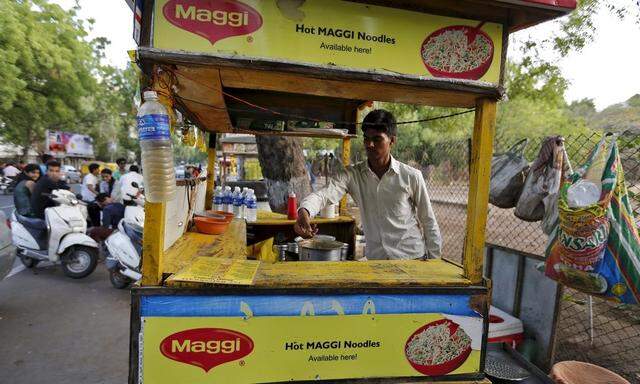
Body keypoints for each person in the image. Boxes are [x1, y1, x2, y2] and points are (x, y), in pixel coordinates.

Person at [294, 109, 442, 260]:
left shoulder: (411, 176)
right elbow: (323, 195)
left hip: (411, 258)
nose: (370, 144)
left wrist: (435, 262)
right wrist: (304, 211)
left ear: (392, 140)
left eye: (377, 139)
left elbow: (428, 221)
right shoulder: (352, 175)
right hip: (376, 260)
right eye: (366, 138)